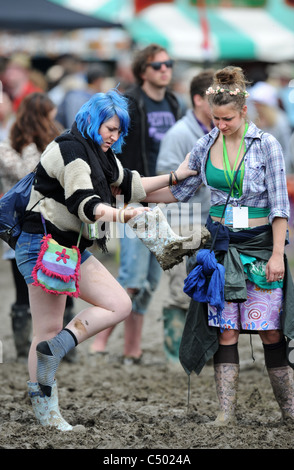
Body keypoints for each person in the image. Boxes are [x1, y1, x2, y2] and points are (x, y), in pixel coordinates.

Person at [14, 88, 196, 431]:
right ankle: (47, 411)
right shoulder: (70, 150)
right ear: (91, 120)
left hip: (70, 247)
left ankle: (54, 351)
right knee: (46, 328)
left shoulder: (100, 151)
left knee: (118, 304)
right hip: (41, 245)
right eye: (110, 128)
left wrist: (177, 177)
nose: (114, 136)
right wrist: (120, 215)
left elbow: (129, 183)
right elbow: (85, 204)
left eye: (119, 130)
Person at [141, 66, 294, 426]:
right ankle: (225, 413)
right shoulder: (206, 142)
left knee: (270, 329)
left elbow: (279, 205)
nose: (220, 125)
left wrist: (277, 254)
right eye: (215, 118)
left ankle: (289, 411)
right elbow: (178, 189)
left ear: (244, 111)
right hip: (221, 248)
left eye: (227, 118)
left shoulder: (266, 145)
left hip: (259, 248)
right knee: (225, 330)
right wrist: (134, 192)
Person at [89, 43, 182, 362]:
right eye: (158, 65)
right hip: (131, 196)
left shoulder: (172, 101)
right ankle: (98, 345)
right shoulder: (131, 102)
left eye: (168, 63)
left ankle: (133, 350)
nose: (165, 69)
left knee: (150, 282)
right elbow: (113, 144)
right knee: (131, 277)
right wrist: (117, 183)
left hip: (161, 196)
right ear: (143, 70)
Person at [0, 92, 63, 361]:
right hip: (26, 226)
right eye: (50, 112)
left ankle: (44, 345)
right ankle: (26, 346)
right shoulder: (20, 147)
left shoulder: (36, 143)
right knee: (29, 289)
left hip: (44, 225)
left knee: (55, 284)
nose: (54, 117)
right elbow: (30, 174)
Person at [156, 69, 214, 361]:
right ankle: (174, 356)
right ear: (197, 99)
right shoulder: (180, 133)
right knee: (180, 288)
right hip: (182, 219)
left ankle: (200, 352)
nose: (219, 101)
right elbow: (165, 174)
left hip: (211, 221)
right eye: (213, 96)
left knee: (207, 286)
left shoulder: (219, 130)